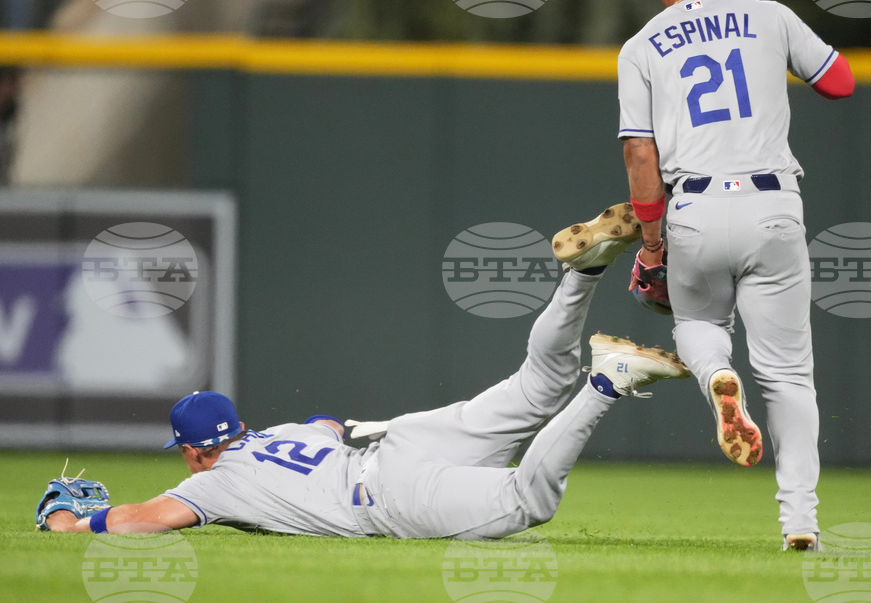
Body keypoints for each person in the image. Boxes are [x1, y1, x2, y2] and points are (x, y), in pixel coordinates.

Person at [38, 204, 691, 538]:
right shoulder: (285, 434)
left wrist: (74, 524)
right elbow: (327, 421)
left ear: (192, 453)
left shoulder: (215, 486)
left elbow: (142, 518)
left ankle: (608, 381)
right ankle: (584, 273)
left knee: (528, 501)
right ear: (235, 427)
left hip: (386, 498)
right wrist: (342, 426)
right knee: (539, 383)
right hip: (396, 440)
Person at [618, 0, 855, 551]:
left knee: (696, 322)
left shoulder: (641, 46)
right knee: (789, 377)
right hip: (773, 203)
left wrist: (651, 245)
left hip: (693, 207)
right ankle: (800, 522)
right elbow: (840, 82)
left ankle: (718, 374)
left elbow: (640, 151)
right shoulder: (769, 14)